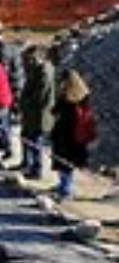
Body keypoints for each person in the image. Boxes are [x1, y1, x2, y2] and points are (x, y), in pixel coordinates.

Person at [50, 69, 96, 200]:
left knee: (63, 163)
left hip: (64, 135)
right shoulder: (84, 95)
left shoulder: (66, 97)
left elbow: (54, 111)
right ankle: (64, 187)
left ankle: (65, 190)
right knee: (68, 163)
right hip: (77, 135)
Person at [17, 45, 55, 180]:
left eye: (30, 58)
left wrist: (25, 103)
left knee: (35, 141)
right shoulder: (36, 69)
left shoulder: (44, 70)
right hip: (31, 112)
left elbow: (40, 94)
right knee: (26, 136)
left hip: (39, 113)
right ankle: (27, 163)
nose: (28, 61)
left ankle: (36, 169)